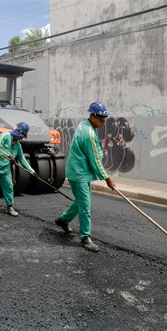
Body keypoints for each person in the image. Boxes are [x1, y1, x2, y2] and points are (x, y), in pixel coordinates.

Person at [54, 101, 116, 252]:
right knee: (85, 206)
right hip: (79, 173)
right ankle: (85, 238)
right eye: (101, 119)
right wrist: (107, 178)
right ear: (93, 116)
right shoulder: (88, 134)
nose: (103, 122)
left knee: (81, 201)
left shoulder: (85, 125)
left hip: (81, 171)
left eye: (104, 119)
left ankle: (63, 220)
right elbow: (94, 159)